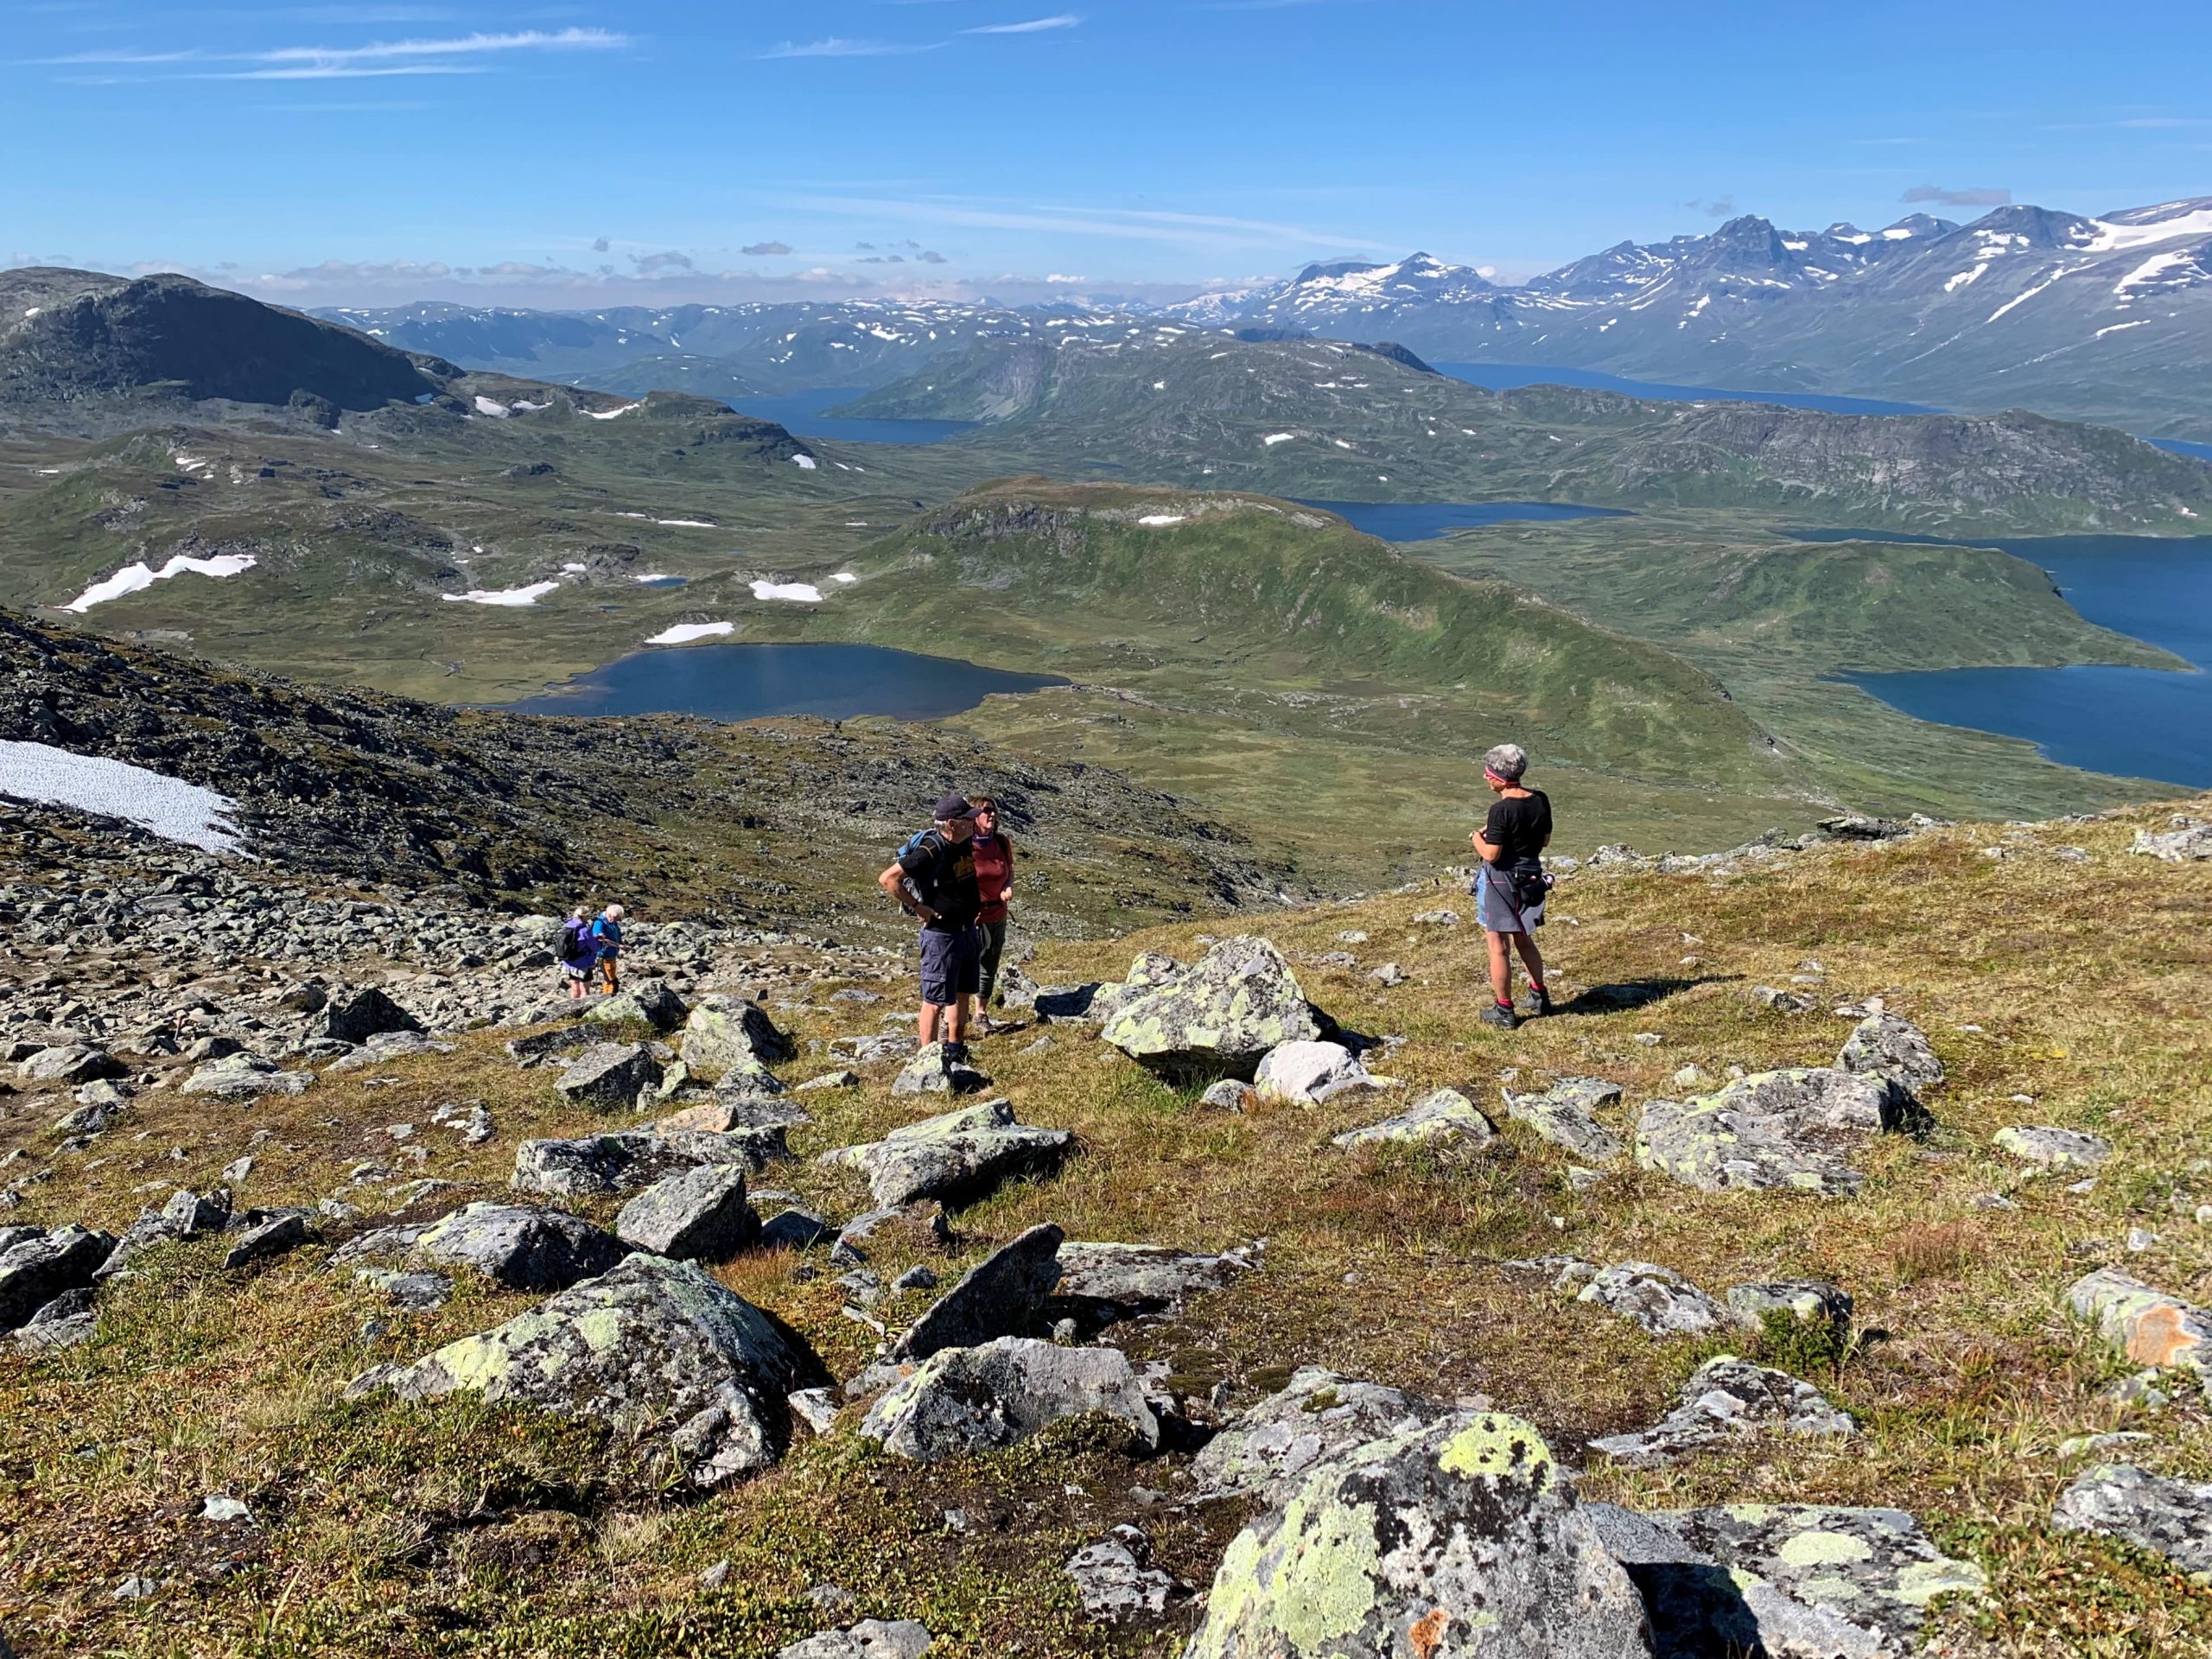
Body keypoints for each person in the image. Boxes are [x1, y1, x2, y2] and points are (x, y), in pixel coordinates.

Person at [877, 794, 984, 1055]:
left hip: (967, 930)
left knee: (962, 991)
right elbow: (888, 879)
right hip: (941, 935)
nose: (973, 822)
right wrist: (918, 907)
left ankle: (956, 1048)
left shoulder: (963, 841)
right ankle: (928, 1058)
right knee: (935, 999)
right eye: (967, 819)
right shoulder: (931, 849)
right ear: (951, 823)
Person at [1469, 743, 1553, 1030]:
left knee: (1498, 946)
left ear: (1499, 779)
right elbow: (1544, 841)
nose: (1485, 777)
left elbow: (1491, 854)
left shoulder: (1500, 810)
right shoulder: (1540, 799)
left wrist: (1475, 838)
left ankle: (1504, 1009)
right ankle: (1539, 994)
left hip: (1502, 881)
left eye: (1488, 773)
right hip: (1531, 877)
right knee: (1524, 937)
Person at [968, 795, 1018, 1033]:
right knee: (963, 965)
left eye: (994, 810)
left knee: (989, 964)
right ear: (973, 816)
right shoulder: (964, 845)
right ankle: (951, 1018)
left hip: (997, 913)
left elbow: (1009, 871)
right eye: (986, 810)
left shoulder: (1000, 841)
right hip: (969, 917)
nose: (992, 814)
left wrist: (1008, 887)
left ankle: (980, 1014)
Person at [557, 907, 595, 1001]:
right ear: (584, 916)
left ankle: (572, 1007)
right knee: (585, 990)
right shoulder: (584, 930)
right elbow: (595, 947)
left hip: (569, 962)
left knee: (574, 986)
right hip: (583, 963)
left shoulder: (567, 926)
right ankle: (584, 1009)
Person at [590, 903, 625, 995]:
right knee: (610, 979)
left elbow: (617, 936)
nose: (617, 921)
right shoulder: (599, 923)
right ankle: (608, 996)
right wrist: (618, 946)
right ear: (610, 915)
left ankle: (609, 995)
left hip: (611, 954)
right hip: (604, 955)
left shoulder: (613, 923)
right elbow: (601, 939)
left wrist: (621, 944)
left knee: (611, 977)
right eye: (616, 919)